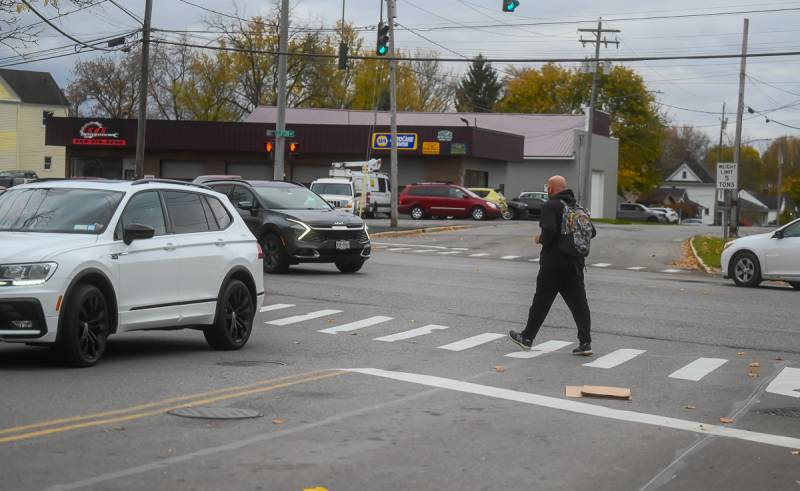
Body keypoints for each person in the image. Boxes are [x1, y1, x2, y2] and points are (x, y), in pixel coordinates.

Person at [509, 175, 595, 355]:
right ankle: (585, 343)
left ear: (551, 189)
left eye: (548, 187)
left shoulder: (551, 205)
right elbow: (592, 232)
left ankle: (527, 338)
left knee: (541, 302)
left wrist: (540, 239)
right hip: (575, 265)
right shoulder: (577, 207)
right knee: (579, 304)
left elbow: (549, 232)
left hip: (553, 265)